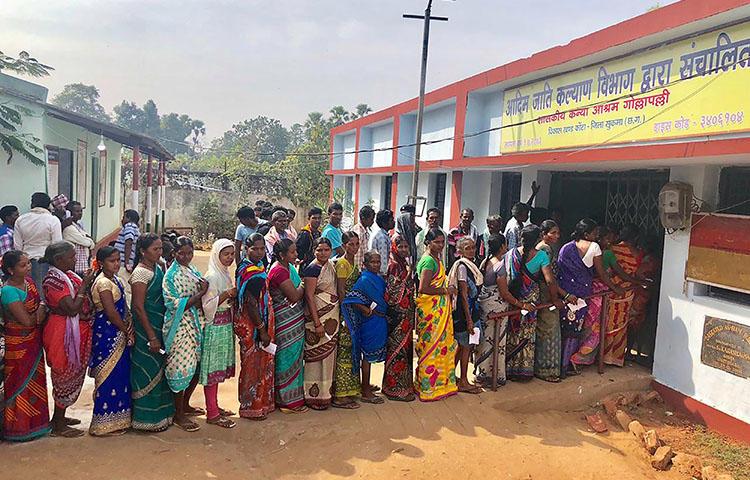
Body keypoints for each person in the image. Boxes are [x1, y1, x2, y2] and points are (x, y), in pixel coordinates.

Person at [42, 241, 94, 437]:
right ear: (58, 260)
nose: (75, 259)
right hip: (62, 334)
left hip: (76, 331)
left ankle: (61, 416)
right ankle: (58, 423)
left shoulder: (68, 275)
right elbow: (72, 308)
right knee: (63, 374)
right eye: (72, 256)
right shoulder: (53, 281)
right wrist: (85, 284)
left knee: (73, 373)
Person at [557, 219, 623, 376]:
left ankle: (558, 364)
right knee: (575, 330)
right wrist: (615, 288)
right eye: (594, 233)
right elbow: (601, 273)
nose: (597, 235)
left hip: (565, 293)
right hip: (581, 295)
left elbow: (559, 270)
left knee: (563, 328)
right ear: (587, 234)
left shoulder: (566, 247)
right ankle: (567, 365)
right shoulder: (594, 247)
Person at [1, 250, 51, 441]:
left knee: (36, 381)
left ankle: (37, 425)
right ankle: (19, 428)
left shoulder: (29, 283)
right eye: (23, 265)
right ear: (10, 270)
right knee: (19, 383)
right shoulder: (8, 291)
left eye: (28, 263)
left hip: (33, 342)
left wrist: (39, 312)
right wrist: (41, 310)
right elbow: (28, 321)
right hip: (18, 344)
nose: (29, 267)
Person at [501, 224, 560, 380]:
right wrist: (555, 299)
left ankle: (508, 368)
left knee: (512, 333)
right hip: (530, 300)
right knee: (527, 335)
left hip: (513, 299)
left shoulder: (510, 254)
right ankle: (523, 371)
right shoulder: (541, 256)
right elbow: (549, 281)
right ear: (538, 238)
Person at [129, 234, 175, 432]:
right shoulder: (141, 274)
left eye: (160, 249)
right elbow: (138, 307)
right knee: (146, 368)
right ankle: (145, 418)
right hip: (147, 329)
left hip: (159, 324)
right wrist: (152, 336)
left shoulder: (158, 267)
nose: (159, 252)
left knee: (162, 368)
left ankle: (162, 414)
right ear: (142, 251)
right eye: (155, 249)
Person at [162, 236, 208, 432]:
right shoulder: (171, 276)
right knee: (180, 368)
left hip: (196, 323)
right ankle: (178, 414)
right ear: (174, 254)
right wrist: (199, 295)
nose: (186, 256)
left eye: (190, 253)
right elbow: (174, 304)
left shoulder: (191, 270)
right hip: (180, 327)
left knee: (197, 367)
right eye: (182, 253)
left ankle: (186, 404)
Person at [88, 246, 133, 436]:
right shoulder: (103, 283)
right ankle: (102, 425)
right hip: (107, 334)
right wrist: (125, 330)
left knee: (120, 375)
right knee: (107, 376)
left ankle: (119, 420)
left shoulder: (115, 279)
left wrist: (129, 326)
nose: (116, 264)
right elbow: (111, 312)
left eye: (118, 260)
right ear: (100, 263)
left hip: (118, 331)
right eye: (111, 261)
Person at [414, 228, 458, 401]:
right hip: (432, 311)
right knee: (431, 346)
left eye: (442, 242)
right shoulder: (428, 262)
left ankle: (441, 384)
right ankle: (428, 387)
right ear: (428, 242)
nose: (440, 245)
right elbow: (423, 288)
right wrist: (446, 290)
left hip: (439, 310)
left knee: (441, 346)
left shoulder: (435, 259)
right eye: (436, 242)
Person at [198, 239, 238, 429]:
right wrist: (227, 295)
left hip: (225, 325)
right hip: (215, 327)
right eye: (226, 254)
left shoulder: (224, 273)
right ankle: (212, 413)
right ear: (217, 255)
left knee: (219, 368)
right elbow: (207, 305)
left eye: (231, 254)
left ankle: (214, 406)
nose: (229, 258)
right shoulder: (212, 276)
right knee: (213, 371)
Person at [235, 233, 275, 420]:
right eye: (255, 249)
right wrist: (262, 328)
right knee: (253, 364)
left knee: (260, 362)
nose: (259, 252)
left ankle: (261, 402)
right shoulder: (251, 272)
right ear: (246, 248)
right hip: (253, 323)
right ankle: (251, 405)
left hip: (256, 321)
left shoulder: (254, 267)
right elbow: (250, 303)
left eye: (261, 248)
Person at [340, 250, 388, 404]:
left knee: (372, 356)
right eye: (373, 262)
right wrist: (365, 310)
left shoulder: (378, 278)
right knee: (367, 357)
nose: (376, 265)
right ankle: (366, 392)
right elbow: (352, 298)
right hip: (370, 322)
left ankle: (366, 385)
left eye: (378, 262)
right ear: (365, 264)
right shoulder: (365, 279)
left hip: (380, 321)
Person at [268, 239, 307, 413]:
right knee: (287, 358)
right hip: (286, 321)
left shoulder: (287, 268)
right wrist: (304, 284)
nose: (296, 254)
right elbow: (294, 296)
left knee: (294, 357)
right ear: (282, 255)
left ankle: (291, 398)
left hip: (293, 320)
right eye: (292, 252)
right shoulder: (279, 272)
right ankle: (286, 401)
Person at [301, 237, 339, 410]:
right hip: (317, 318)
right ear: (314, 251)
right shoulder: (312, 268)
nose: (323, 253)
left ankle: (326, 394)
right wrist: (317, 323)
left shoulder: (331, 265)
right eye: (319, 250)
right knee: (315, 358)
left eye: (326, 250)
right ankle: (312, 395)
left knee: (329, 356)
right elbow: (309, 296)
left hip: (332, 317)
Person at [603, 223, 645, 367]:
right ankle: (616, 357)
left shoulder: (612, 249)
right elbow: (637, 273)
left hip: (613, 290)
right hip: (628, 292)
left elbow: (609, 271)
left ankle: (604, 356)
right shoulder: (638, 253)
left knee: (608, 321)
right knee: (622, 323)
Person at [448, 236, 484, 393]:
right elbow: (463, 294)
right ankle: (463, 381)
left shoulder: (470, 265)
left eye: (473, 247)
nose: (471, 250)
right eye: (467, 248)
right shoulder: (462, 267)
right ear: (460, 251)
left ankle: (451, 376)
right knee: (466, 346)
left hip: (470, 309)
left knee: (463, 347)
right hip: (464, 312)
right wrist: (469, 320)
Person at [382, 235, 416, 402]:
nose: (403, 250)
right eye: (400, 247)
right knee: (397, 351)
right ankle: (394, 388)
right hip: (397, 316)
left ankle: (404, 385)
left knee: (405, 350)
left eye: (405, 247)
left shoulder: (403, 264)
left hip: (406, 316)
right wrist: (409, 276)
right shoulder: (394, 265)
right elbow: (393, 293)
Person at [474, 234, 509, 387]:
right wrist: (520, 304)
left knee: (485, 338)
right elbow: (504, 292)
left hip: (484, 304)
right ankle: (493, 375)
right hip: (496, 306)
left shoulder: (486, 261)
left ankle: (482, 372)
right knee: (496, 340)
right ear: (502, 246)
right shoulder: (500, 266)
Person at [332, 231, 362, 409]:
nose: (355, 247)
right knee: (344, 351)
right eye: (351, 244)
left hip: (354, 311)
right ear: (344, 245)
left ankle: (351, 389)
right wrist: (346, 314)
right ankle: (340, 395)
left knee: (352, 351)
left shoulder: (354, 263)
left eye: (357, 244)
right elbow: (342, 291)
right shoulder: (342, 264)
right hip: (346, 312)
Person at [14, 193, 63, 295]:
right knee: (43, 292)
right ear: (48, 205)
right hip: (45, 260)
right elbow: (57, 245)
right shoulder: (53, 220)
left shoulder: (21, 220)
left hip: (25, 261)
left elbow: (17, 246)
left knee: (28, 291)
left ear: (32, 204)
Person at [533, 220, 564, 382]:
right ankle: (547, 371)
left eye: (558, 233)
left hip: (541, 293)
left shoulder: (540, 248)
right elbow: (549, 279)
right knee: (550, 332)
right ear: (544, 234)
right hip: (546, 294)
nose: (557, 236)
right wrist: (557, 298)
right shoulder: (545, 250)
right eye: (553, 233)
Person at [62, 201, 94, 277]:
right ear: (69, 213)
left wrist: (89, 240)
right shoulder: (69, 229)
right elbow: (88, 243)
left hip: (83, 262)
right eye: (77, 211)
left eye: (81, 211)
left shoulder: (79, 225)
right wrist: (90, 241)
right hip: (76, 265)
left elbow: (89, 240)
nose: (80, 213)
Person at [114, 209, 141, 299]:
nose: (122, 220)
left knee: (125, 287)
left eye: (124, 217)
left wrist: (126, 263)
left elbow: (128, 242)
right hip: (127, 261)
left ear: (129, 218)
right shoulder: (135, 227)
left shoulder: (129, 226)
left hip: (123, 263)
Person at [369, 209, 394, 276]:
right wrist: (385, 273)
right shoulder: (382, 237)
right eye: (391, 220)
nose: (394, 222)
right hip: (381, 273)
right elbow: (383, 258)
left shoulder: (384, 235)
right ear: (384, 223)